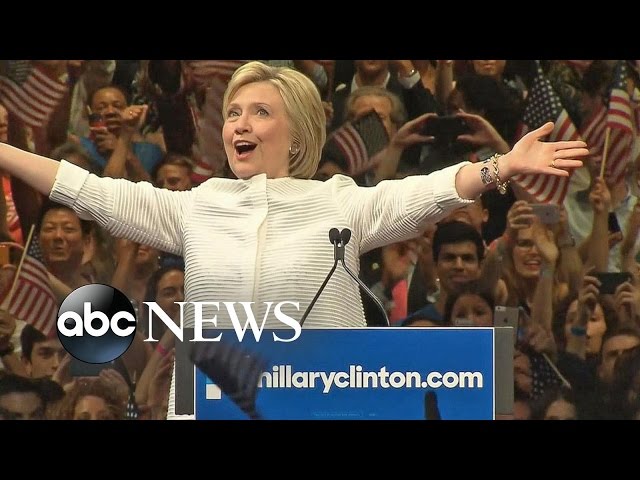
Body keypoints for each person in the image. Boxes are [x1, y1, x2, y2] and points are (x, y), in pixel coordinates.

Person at [0, 61, 588, 419]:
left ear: (298, 131)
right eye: (233, 112)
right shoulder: (197, 206)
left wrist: (500, 167)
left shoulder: (339, 202)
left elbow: (425, 193)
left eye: (259, 111)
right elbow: (89, 191)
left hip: (321, 407)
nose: (239, 123)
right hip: (212, 410)